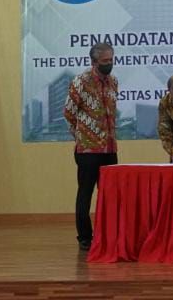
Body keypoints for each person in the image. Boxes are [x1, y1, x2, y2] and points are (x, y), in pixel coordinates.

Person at [63, 42, 118, 251]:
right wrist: (81, 134)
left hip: (109, 148)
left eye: (111, 60)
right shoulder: (81, 81)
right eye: (105, 61)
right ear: (94, 62)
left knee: (111, 195)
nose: (109, 64)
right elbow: (69, 112)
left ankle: (109, 235)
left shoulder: (113, 82)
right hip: (88, 149)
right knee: (85, 193)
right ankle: (85, 237)